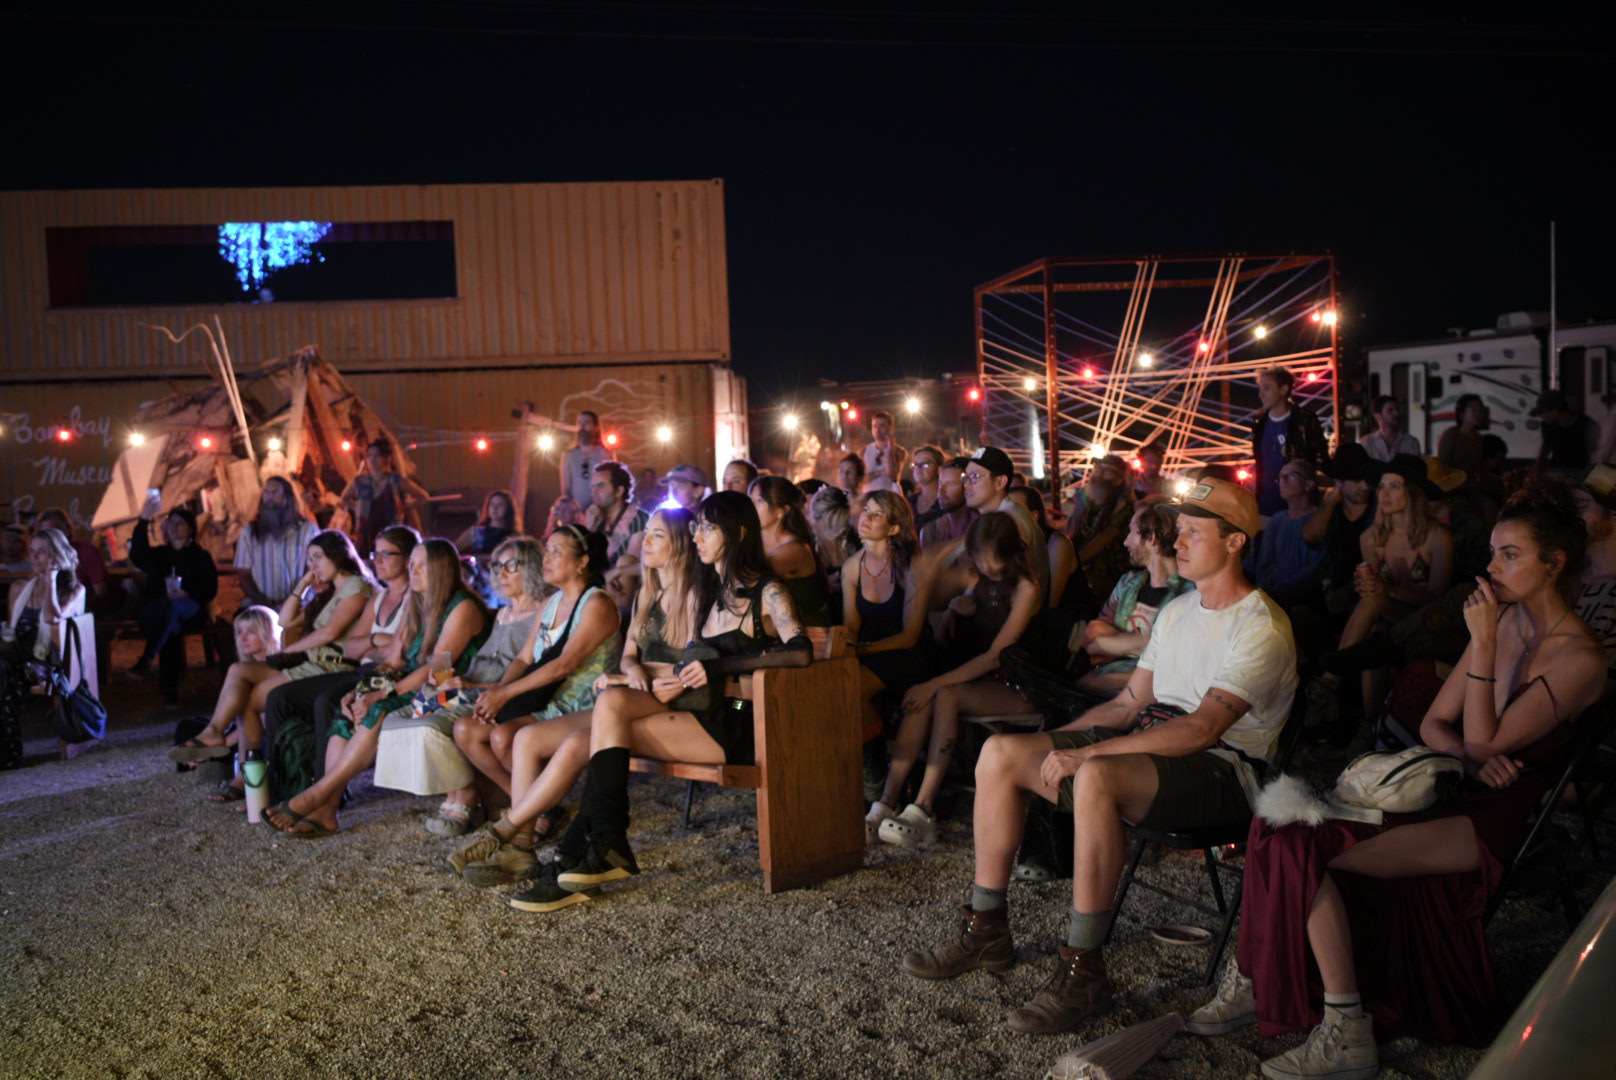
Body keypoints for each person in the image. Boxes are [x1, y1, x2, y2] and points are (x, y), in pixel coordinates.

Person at [1203, 491, 1606, 1074]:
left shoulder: (1580, 658)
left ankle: (1346, 1031)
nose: (1492, 567)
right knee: (1275, 826)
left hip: (1492, 820)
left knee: (1308, 845)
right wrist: (1467, 756)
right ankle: (1258, 978)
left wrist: (1483, 650)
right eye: (1493, 552)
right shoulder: (1507, 620)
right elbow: (1438, 723)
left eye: (1510, 555)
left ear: (1555, 563)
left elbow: (1487, 741)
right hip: (1452, 787)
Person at [901, 477, 1296, 1035]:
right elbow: (1130, 703)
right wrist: (1055, 744)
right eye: (1178, 531)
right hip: (1158, 743)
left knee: (1096, 776)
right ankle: (986, 929)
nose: (1178, 542)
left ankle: (1084, 970)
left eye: (1193, 532)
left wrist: (1087, 756)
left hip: (1225, 769)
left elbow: (1203, 728)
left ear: (1234, 543)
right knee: (1000, 753)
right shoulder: (1180, 610)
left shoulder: (1261, 625)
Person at [542, 491, 810, 907]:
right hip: (703, 709)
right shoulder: (709, 591)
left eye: (707, 528)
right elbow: (684, 661)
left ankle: (578, 849)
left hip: (743, 719)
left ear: (738, 533)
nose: (696, 536)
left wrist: (718, 667)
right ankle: (596, 845)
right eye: (696, 528)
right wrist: (633, 673)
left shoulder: (767, 590)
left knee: (607, 733)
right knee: (611, 708)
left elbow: (801, 652)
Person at [449, 509, 701, 897]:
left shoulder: (680, 596)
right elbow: (629, 655)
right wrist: (631, 668)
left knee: (541, 737)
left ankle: (507, 832)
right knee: (521, 739)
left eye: (657, 536)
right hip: (619, 693)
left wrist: (633, 675)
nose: (644, 543)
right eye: (646, 534)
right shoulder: (646, 593)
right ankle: (522, 847)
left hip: (627, 698)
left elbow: (692, 662)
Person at [264, 539, 490, 837]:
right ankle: (327, 811)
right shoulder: (416, 603)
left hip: (450, 691)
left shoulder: (463, 607)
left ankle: (316, 795)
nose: (413, 571)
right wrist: (361, 690)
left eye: (422, 566)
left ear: (442, 569)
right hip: (414, 685)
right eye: (412, 565)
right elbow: (394, 660)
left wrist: (383, 694)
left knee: (380, 708)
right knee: (345, 712)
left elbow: (433, 669)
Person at [868, 513, 1042, 847]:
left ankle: (923, 809)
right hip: (980, 677)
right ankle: (886, 802)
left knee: (942, 692)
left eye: (993, 559)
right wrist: (959, 546)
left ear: (1010, 554)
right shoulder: (975, 576)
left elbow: (995, 656)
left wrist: (933, 684)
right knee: (920, 699)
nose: (987, 566)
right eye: (979, 557)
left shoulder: (1025, 588)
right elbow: (922, 574)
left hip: (1021, 684)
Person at [173, 530, 376, 802]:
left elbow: (330, 632)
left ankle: (246, 778)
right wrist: (303, 583)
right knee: (237, 671)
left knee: (248, 700)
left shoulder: (358, 587)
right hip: (311, 662)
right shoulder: (328, 593)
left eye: (318, 557)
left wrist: (288, 651)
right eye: (309, 560)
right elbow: (284, 620)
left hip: (333, 667)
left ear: (337, 555)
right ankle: (217, 735)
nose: (313, 565)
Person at [374, 537, 545, 839]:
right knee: (398, 718)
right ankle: (459, 789)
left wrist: (471, 684)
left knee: (427, 722)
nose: (501, 573)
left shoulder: (541, 613)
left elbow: (522, 671)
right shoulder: (503, 613)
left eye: (510, 565)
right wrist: (455, 680)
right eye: (497, 566)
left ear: (531, 567)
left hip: (492, 693)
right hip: (470, 685)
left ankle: (464, 794)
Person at [450, 527, 620, 818]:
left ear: (582, 562)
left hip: (581, 703)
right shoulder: (550, 603)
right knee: (466, 730)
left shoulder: (597, 604)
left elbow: (565, 664)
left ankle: (527, 812)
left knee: (503, 737)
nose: (546, 558)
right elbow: (523, 658)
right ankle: (538, 807)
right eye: (547, 549)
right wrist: (498, 693)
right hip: (542, 698)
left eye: (556, 551)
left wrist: (506, 694)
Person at [259, 525, 418, 803]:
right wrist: (378, 640)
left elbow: (401, 651)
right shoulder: (379, 598)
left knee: (327, 700)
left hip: (388, 673)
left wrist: (373, 644)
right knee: (278, 697)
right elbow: (353, 647)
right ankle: (281, 791)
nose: (377, 560)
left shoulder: (410, 598)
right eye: (375, 554)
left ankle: (324, 792)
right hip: (363, 668)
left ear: (407, 558)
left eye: (386, 554)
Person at [1075, 502, 1195, 697]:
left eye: (1132, 532)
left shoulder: (1191, 594)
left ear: (1152, 538)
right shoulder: (1128, 583)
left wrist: (1114, 651)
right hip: (1107, 688)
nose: (1126, 542)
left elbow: (1177, 666)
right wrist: (1147, 644)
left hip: (1149, 700)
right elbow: (1091, 639)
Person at [843, 491, 933, 741]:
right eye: (865, 511)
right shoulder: (851, 567)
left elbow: (910, 636)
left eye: (877, 514)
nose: (866, 518)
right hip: (869, 649)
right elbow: (851, 627)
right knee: (835, 682)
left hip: (907, 651)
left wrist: (863, 650)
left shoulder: (911, 566)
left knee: (854, 687)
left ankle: (877, 751)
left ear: (893, 529)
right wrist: (847, 650)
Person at [3, 528, 87, 768]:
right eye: (32, 551)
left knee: (3, 671)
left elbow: (52, 618)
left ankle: (8, 756)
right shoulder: (19, 588)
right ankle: (8, 754)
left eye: (42, 552)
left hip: (48, 662)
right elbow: (11, 632)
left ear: (57, 555)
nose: (35, 557)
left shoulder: (74, 590)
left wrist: (50, 579)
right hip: (16, 657)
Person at [128, 499, 218, 676]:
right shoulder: (159, 555)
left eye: (180, 523)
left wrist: (188, 594)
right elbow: (138, 555)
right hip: (159, 608)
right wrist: (144, 520)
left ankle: (147, 659)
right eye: (171, 522)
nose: (173, 526)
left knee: (173, 608)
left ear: (190, 530)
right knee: (171, 625)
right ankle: (169, 688)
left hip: (190, 610)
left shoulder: (200, 557)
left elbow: (210, 588)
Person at [955, 446, 1050, 600]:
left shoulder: (1011, 520)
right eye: (965, 477)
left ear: (1000, 482)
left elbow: (998, 582)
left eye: (975, 476)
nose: (966, 484)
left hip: (1018, 611)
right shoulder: (997, 516)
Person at [750, 476, 832, 626]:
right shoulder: (754, 542)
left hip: (810, 631)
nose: (751, 506)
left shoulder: (797, 549)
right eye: (751, 500)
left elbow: (752, 575)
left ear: (782, 511)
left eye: (759, 501)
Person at [1251, 366, 1329, 517]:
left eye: (1266, 388)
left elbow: (1321, 459)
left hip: (1298, 507)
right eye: (1260, 388)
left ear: (1283, 389)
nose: (1261, 394)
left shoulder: (1304, 420)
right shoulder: (1259, 422)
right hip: (1265, 506)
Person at [1007, 485, 1097, 614]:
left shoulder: (1057, 544)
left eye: (1015, 510)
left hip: (1070, 618)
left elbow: (1051, 602)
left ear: (1034, 516)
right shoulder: (1012, 545)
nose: (1007, 515)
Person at [235, 476, 320, 610]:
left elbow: (313, 571)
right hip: (259, 606)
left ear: (288, 498)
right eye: (266, 492)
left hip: (300, 605)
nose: (269, 497)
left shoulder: (308, 530)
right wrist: (267, 605)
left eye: (275, 492)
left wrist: (291, 603)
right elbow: (244, 575)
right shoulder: (249, 532)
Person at [1250, 460, 1328, 607]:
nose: (1283, 481)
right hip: (1273, 596)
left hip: (1306, 599)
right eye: (1280, 477)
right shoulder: (1277, 520)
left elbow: (1316, 567)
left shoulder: (1320, 520)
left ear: (1308, 484)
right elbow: (1265, 562)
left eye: (1291, 476)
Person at [1060, 455, 1133, 601]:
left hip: (1106, 572)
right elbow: (1072, 527)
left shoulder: (1122, 506)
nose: (1099, 475)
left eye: (1108, 471)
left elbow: (1104, 538)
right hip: (1077, 565)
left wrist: (1072, 562)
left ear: (1119, 479)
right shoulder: (1083, 497)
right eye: (1098, 469)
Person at [340, 438, 429, 556]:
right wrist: (357, 508)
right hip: (366, 532)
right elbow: (344, 498)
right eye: (369, 455)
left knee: (389, 560)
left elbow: (423, 496)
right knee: (366, 561)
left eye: (377, 455)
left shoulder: (395, 480)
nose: (372, 459)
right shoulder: (360, 481)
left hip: (390, 532)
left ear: (386, 458)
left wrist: (405, 508)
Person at [584, 462, 649, 610]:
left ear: (619, 491)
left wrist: (609, 576)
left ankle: (621, 619)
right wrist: (589, 528)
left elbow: (630, 563)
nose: (594, 492)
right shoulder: (594, 516)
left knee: (625, 561)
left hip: (626, 585)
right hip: (601, 581)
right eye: (592, 487)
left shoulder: (637, 519)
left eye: (600, 486)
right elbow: (582, 560)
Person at [34, 508, 108, 611]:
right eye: (44, 534)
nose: (48, 538)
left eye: (53, 532)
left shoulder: (87, 552)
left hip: (83, 609)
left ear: (66, 531)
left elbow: (101, 593)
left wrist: (74, 603)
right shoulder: (38, 555)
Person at [1531, 389, 1598, 474]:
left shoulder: (1586, 425)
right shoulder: (1547, 426)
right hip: (1558, 473)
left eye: (1542, 413)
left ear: (1555, 409)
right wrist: (1537, 470)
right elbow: (1545, 448)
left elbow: (1595, 455)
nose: (1541, 417)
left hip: (1583, 473)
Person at [809, 485, 858, 593]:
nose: (839, 531)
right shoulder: (807, 545)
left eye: (844, 524)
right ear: (816, 519)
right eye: (832, 526)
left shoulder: (850, 537)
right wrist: (822, 584)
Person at [920, 457, 976, 549]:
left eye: (950, 484)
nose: (941, 491)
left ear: (967, 488)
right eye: (940, 484)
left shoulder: (981, 527)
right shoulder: (931, 531)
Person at [559, 410, 610, 506]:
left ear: (596, 427)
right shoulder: (568, 456)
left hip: (600, 510)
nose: (582, 427)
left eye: (587, 423)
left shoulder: (605, 455)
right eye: (579, 423)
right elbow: (566, 490)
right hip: (576, 512)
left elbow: (609, 487)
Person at [452, 489, 520, 560]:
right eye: (492, 504)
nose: (494, 508)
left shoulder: (515, 536)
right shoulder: (476, 533)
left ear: (508, 509)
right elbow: (453, 550)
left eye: (500, 505)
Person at [1358, 395, 1420, 462]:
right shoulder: (1367, 442)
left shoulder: (1410, 442)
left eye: (1397, 410)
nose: (1397, 414)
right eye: (1390, 410)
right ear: (1378, 416)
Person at [863, 410, 908, 486]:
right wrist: (880, 473)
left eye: (882, 426)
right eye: (875, 426)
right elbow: (860, 478)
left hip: (890, 492)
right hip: (869, 492)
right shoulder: (863, 451)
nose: (877, 430)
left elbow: (893, 476)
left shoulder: (900, 451)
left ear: (891, 428)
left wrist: (890, 449)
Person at [909, 444, 945, 528]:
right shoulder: (910, 502)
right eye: (915, 465)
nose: (918, 468)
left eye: (925, 464)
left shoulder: (945, 501)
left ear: (939, 469)